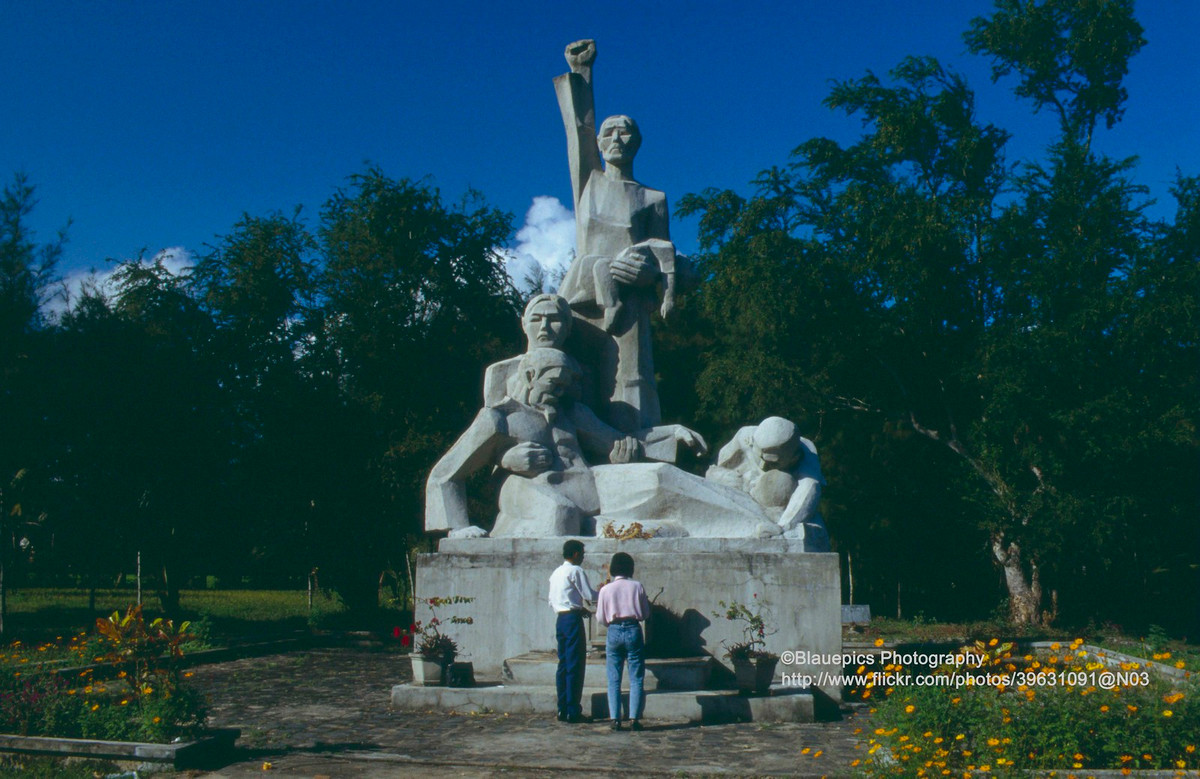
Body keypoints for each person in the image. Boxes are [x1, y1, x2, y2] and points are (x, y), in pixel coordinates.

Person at [554, 38, 680, 434]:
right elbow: (578, 130)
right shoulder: (588, 184)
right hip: (585, 297)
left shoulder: (653, 198)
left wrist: (652, 276)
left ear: (637, 142)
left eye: (625, 133)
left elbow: (669, 258)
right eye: (608, 133)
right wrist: (582, 74)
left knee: (631, 378)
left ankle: (636, 440)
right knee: (580, 372)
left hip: (631, 307)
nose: (615, 139)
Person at [596, 551, 650, 731]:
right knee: (636, 676)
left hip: (614, 629)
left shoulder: (606, 589)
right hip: (633, 628)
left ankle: (615, 718)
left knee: (613, 678)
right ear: (630, 568)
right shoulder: (637, 586)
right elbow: (644, 614)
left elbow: (601, 618)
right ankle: (634, 717)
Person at [548, 539, 598, 722]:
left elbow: (552, 600)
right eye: (582, 554)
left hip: (561, 618)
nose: (583, 557)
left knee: (563, 664)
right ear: (576, 554)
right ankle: (573, 710)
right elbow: (589, 595)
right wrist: (606, 592)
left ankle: (562, 708)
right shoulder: (576, 570)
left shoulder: (556, 572)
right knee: (575, 664)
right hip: (572, 620)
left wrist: (576, 606)